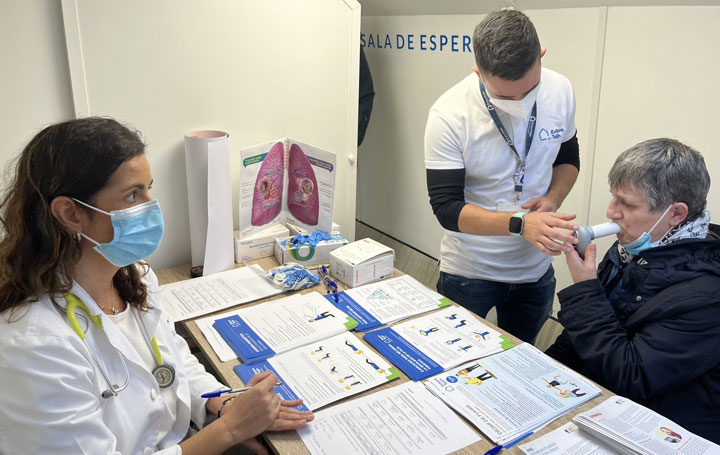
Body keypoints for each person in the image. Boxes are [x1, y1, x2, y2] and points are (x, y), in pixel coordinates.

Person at [0, 118, 313, 454]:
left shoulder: (133, 274)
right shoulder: (32, 344)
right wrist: (229, 430)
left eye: (149, 187)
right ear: (71, 214)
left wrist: (221, 404)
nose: (151, 206)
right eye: (133, 194)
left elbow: (174, 359)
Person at [546, 138, 720, 443]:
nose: (611, 212)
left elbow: (631, 377)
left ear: (676, 214)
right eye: (614, 197)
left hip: (663, 429)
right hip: (601, 402)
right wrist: (540, 373)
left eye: (626, 203)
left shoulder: (708, 296)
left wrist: (585, 290)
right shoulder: (636, 248)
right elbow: (577, 339)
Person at [425, 9, 580, 343]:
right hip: (469, 272)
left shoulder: (561, 90)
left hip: (535, 273)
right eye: (505, 97)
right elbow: (447, 208)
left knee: (519, 362)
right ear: (478, 73)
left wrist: (552, 199)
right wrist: (521, 224)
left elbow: (568, 158)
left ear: (541, 55)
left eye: (530, 90)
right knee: (456, 365)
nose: (520, 103)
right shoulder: (449, 114)